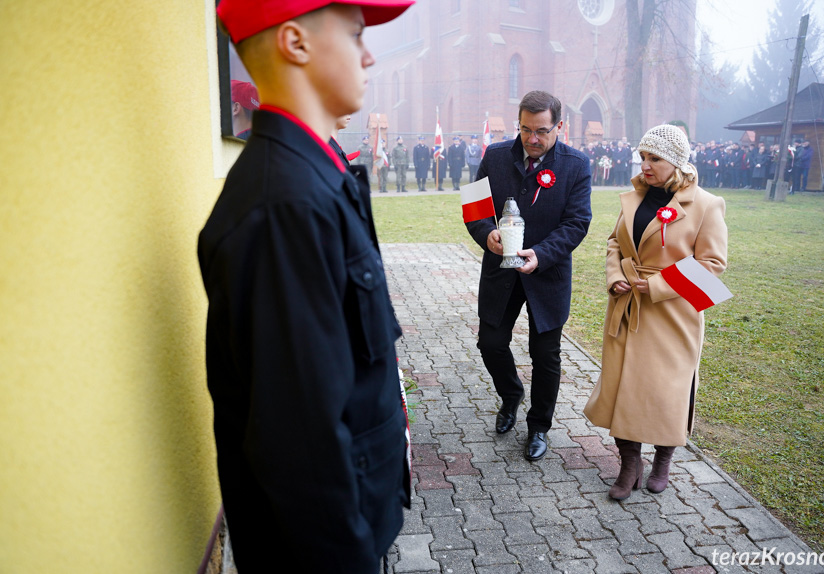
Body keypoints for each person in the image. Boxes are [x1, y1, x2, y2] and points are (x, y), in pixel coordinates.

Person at [198, 1, 414, 572]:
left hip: (361, 513)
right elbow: (301, 447)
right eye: (355, 34)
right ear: (295, 43)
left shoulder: (313, 175)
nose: (369, 55)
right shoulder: (285, 204)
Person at [583, 124, 728, 500]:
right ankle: (629, 462)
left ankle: (664, 458)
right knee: (622, 385)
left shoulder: (706, 205)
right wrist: (615, 276)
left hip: (673, 312)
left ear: (676, 163)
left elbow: (712, 263)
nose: (645, 165)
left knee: (667, 388)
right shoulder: (633, 197)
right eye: (642, 157)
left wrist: (660, 285)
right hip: (627, 306)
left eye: (655, 159)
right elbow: (615, 242)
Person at [465, 90, 592, 461]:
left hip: (546, 274)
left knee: (545, 354)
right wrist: (485, 231)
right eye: (525, 129)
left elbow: (577, 223)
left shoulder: (576, 165)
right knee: (490, 342)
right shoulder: (494, 156)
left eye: (541, 131)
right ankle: (510, 395)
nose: (532, 139)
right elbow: (474, 209)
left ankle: (539, 427)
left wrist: (543, 254)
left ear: (559, 127)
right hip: (500, 272)